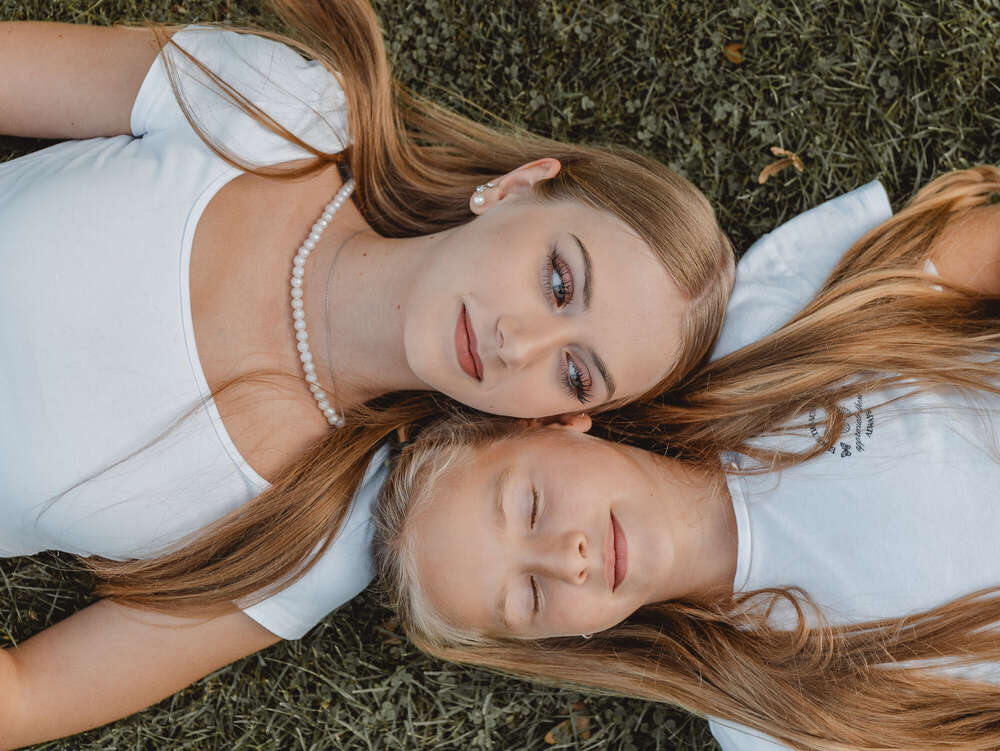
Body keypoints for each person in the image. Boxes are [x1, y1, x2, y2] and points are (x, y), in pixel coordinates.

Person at [0, 0, 738, 744]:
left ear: (551, 418)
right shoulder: (282, 111)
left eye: (576, 374)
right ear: (516, 187)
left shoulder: (315, 533)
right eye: (557, 281)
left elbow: (27, 696)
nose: (520, 343)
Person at [375, 166, 1000, 751]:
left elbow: (963, 256)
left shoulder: (766, 334)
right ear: (562, 640)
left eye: (530, 505)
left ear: (556, 426)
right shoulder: (775, 720)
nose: (568, 558)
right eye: (530, 597)